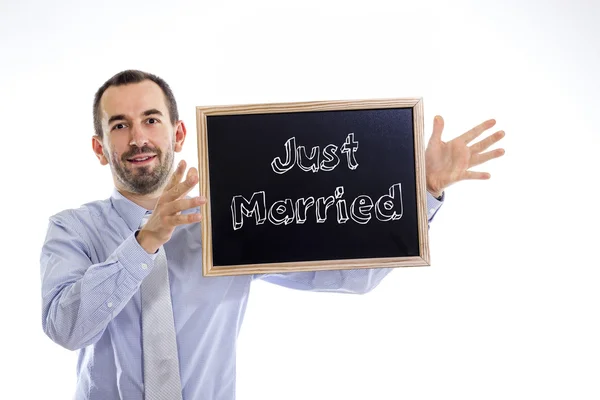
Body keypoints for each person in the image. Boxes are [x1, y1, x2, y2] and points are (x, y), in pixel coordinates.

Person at [40, 70, 505, 400]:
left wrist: (423, 190)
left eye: (151, 119)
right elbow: (66, 328)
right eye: (119, 126)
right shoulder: (71, 229)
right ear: (101, 148)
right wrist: (145, 242)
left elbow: (350, 277)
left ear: (178, 133)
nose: (137, 137)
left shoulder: (231, 222)